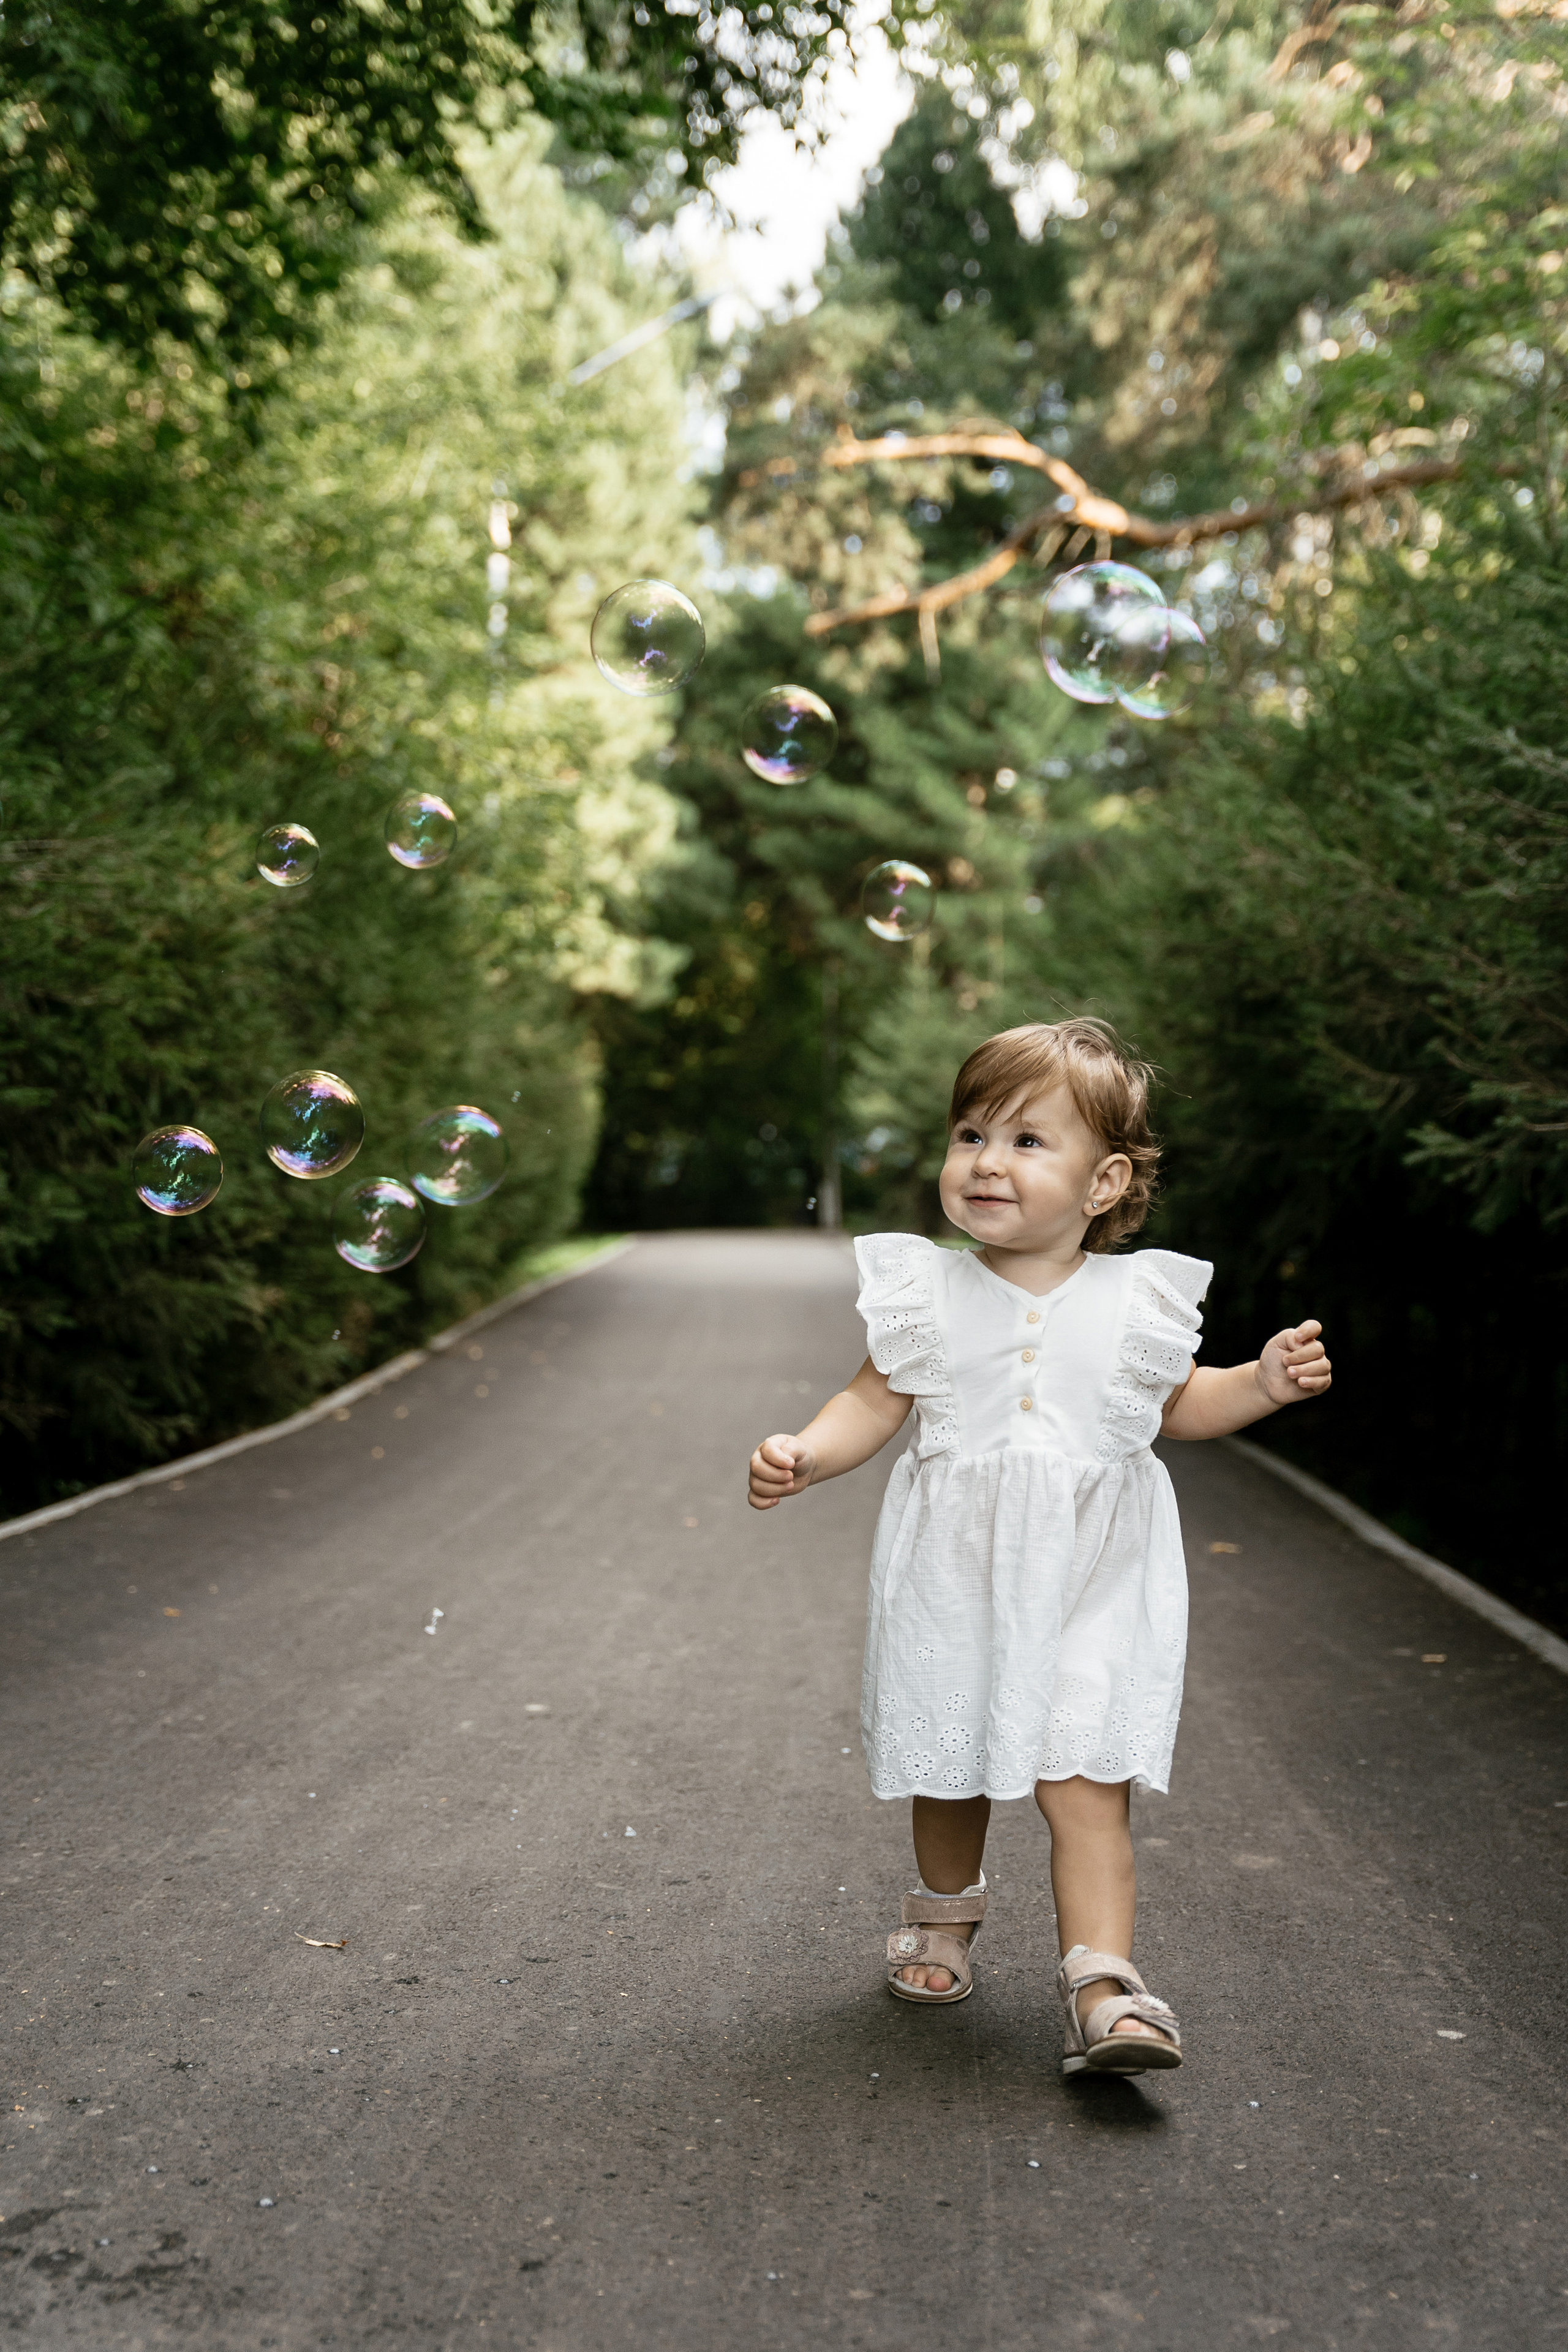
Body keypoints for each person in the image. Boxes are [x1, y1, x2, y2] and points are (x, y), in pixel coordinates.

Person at [747, 1017, 1331, 2076]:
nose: (984, 1162)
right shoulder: (927, 1291)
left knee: (1084, 1778)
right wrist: (807, 1452)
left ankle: (1103, 1986)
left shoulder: (1137, 1299)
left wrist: (1260, 1384)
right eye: (970, 1134)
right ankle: (942, 1918)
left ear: (1104, 1182)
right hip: (957, 1576)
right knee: (953, 1758)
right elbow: (872, 1403)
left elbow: (1178, 1405)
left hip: (1093, 1582)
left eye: (1026, 1141)